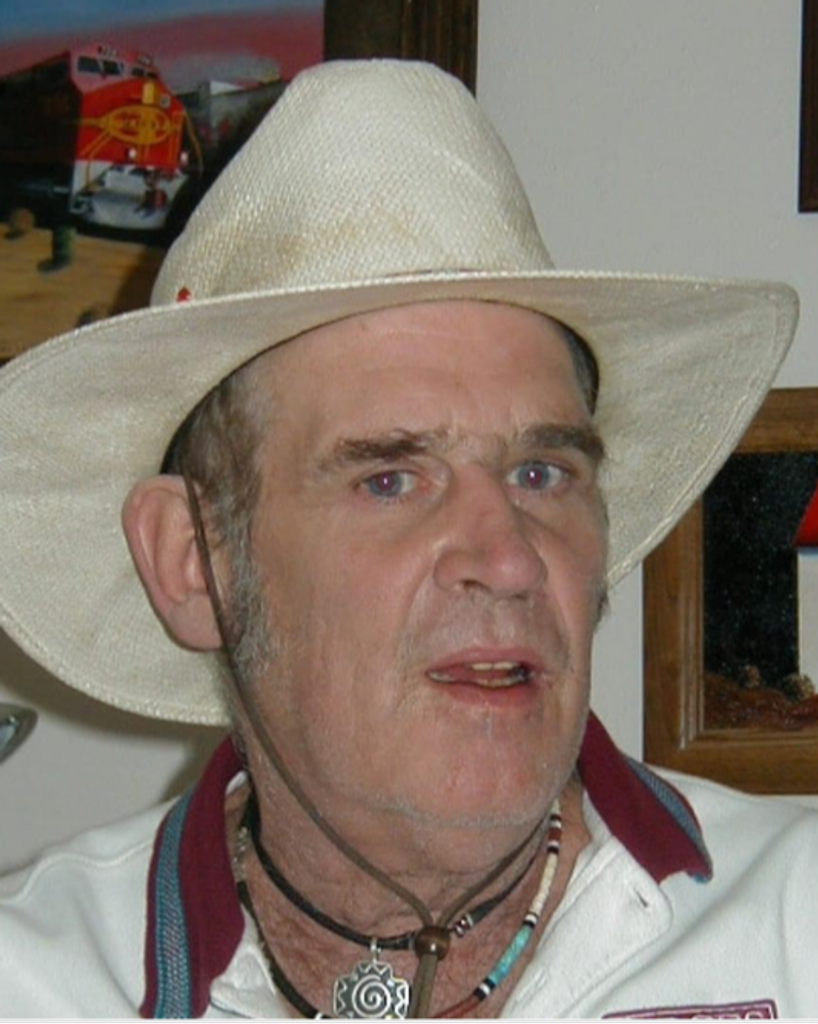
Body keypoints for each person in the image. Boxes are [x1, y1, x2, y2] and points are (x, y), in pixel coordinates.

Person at [0, 59, 814, 1020]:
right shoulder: (35, 984)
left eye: (541, 473)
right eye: (388, 480)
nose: (509, 560)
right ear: (193, 561)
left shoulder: (796, 924)